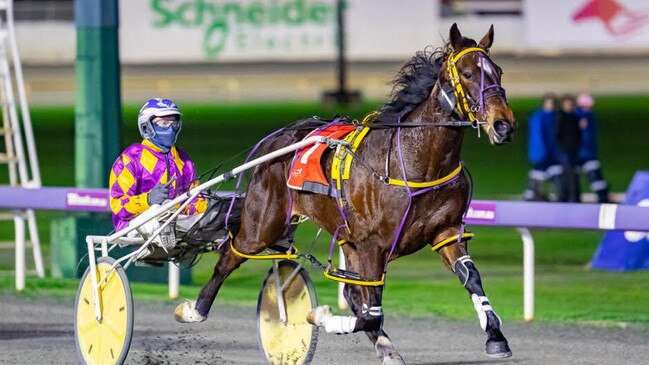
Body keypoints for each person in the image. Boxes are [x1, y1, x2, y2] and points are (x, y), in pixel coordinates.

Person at [109, 98, 207, 232]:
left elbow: (192, 201)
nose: (171, 128)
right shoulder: (130, 159)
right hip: (134, 226)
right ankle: (166, 227)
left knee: (212, 214)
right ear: (146, 127)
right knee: (158, 211)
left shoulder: (184, 161)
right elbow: (117, 206)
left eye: (174, 123)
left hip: (176, 222)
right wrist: (148, 199)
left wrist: (208, 207)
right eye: (164, 123)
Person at [524, 93, 563, 201]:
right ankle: (532, 197)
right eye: (549, 103)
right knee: (538, 177)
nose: (551, 105)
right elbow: (537, 137)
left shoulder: (556, 116)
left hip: (552, 153)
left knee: (556, 177)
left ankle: (553, 197)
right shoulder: (539, 117)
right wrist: (539, 153)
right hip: (542, 154)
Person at [575, 93, 609, 203]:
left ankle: (602, 197)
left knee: (595, 180)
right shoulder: (582, 116)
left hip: (586, 153)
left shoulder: (588, 115)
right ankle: (602, 198)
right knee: (593, 178)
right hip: (583, 154)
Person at [555, 94, 581, 202]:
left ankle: (573, 196)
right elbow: (558, 134)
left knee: (572, 174)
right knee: (566, 174)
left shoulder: (574, 117)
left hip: (573, 150)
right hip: (564, 150)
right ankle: (564, 197)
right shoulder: (561, 117)